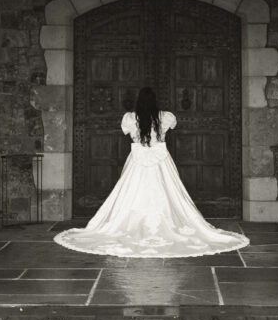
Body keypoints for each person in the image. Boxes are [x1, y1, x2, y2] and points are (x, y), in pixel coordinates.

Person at [54, 87, 250, 257]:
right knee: (167, 192)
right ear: (155, 101)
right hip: (160, 160)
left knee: (131, 193)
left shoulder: (130, 118)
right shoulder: (164, 117)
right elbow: (172, 126)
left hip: (138, 160)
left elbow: (129, 132)